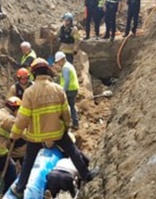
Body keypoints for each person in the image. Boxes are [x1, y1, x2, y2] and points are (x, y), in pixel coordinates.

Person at [10, 58, 96, 198]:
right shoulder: (58, 89)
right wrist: (66, 126)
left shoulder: (30, 92)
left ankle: (20, 188)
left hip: (36, 135)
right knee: (73, 151)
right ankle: (86, 174)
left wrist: (14, 134)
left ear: (33, 74)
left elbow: (23, 117)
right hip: (57, 132)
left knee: (28, 162)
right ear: (48, 71)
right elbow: (66, 112)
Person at [0, 97, 20, 193]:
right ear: (14, 109)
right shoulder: (10, 119)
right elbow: (25, 135)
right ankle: (7, 193)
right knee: (12, 171)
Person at [54, 51, 80, 130]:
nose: (58, 64)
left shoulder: (65, 68)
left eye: (58, 62)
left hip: (69, 90)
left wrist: (63, 91)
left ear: (61, 60)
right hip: (74, 88)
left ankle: (67, 124)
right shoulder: (69, 65)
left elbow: (67, 80)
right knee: (71, 106)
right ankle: (75, 122)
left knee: (66, 107)